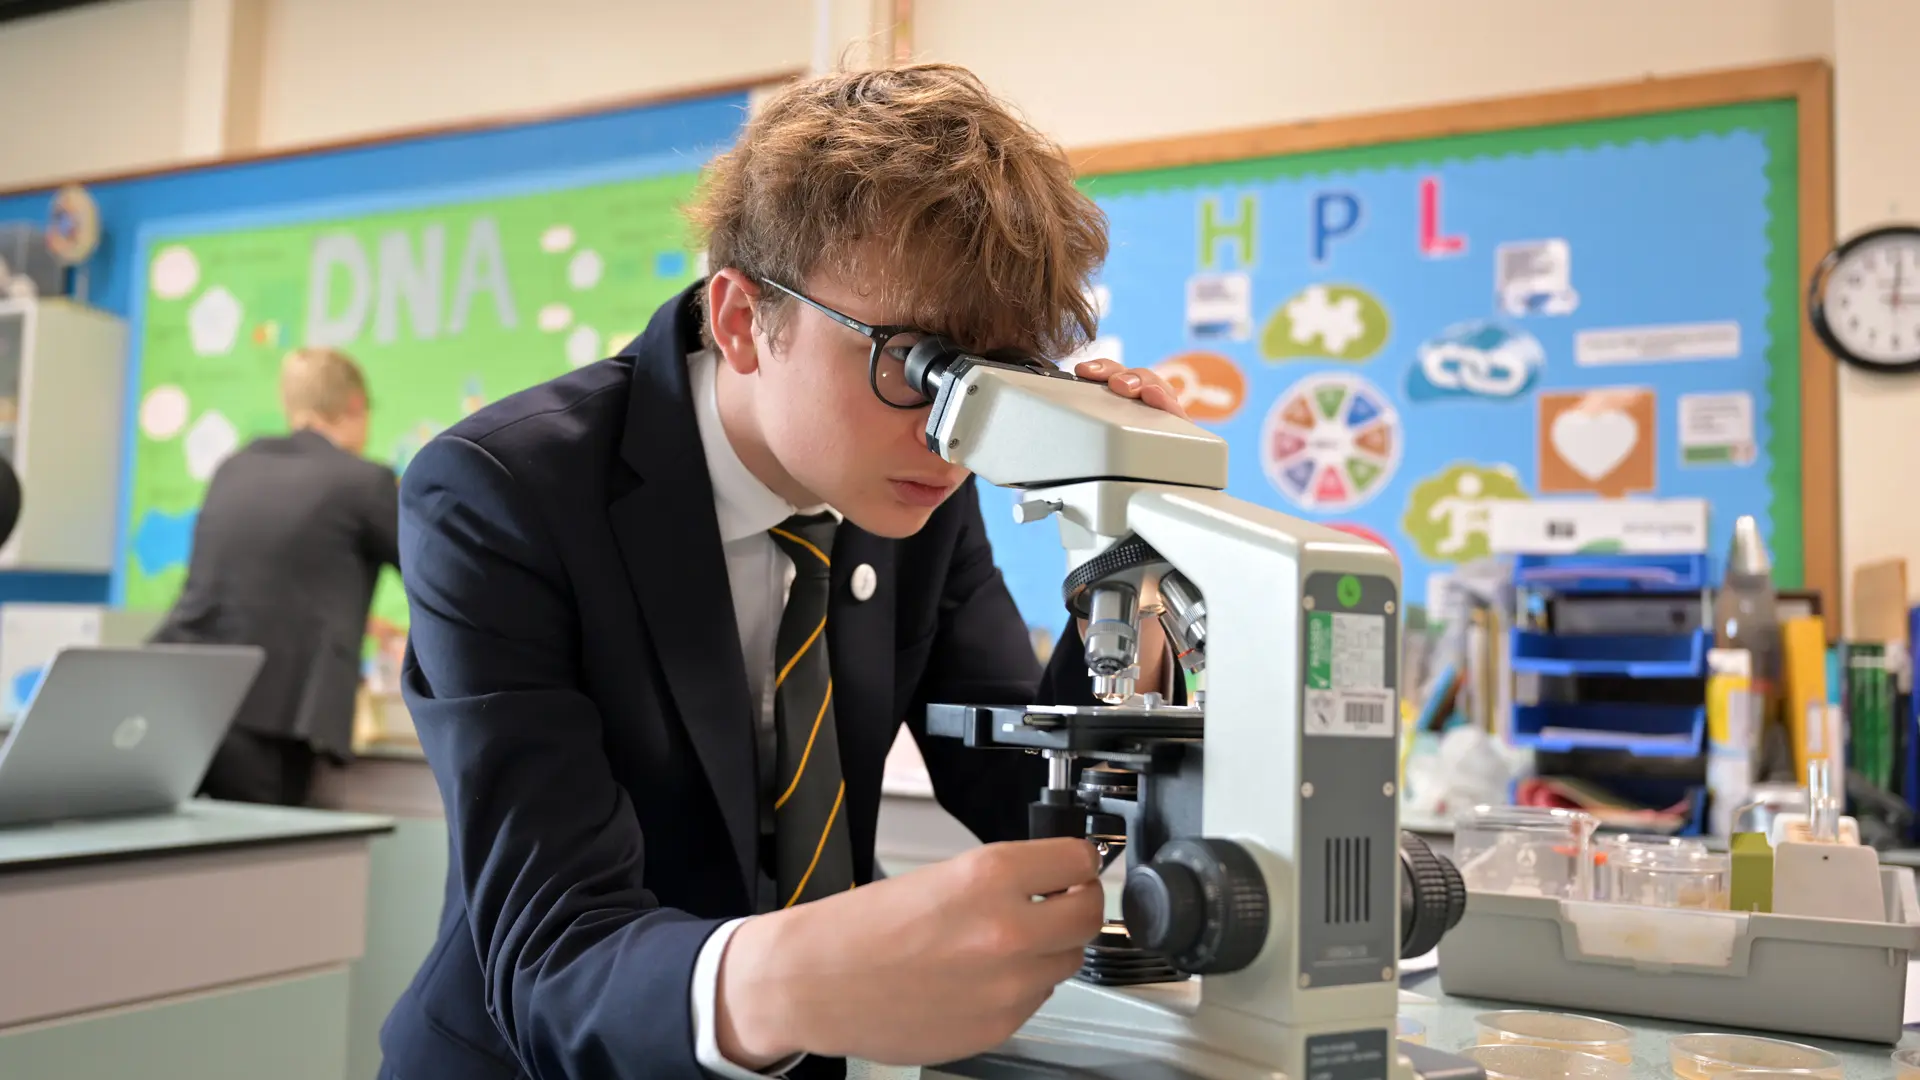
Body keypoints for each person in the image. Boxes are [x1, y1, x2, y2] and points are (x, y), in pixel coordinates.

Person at [378, 63, 1188, 1080]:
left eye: (995, 378)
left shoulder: (913, 487)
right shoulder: (503, 494)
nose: (954, 435)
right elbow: (552, 951)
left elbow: (1024, 795)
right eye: (915, 361)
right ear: (741, 321)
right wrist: (803, 971)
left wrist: (1133, 557)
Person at [151, 346, 404, 807]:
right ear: (353, 406)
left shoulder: (235, 467)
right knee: (258, 870)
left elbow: (260, 582)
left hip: (186, 698)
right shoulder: (365, 482)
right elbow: (440, 576)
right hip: (277, 716)